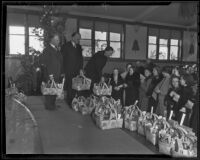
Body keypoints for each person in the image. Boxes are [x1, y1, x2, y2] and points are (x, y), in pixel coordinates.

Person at [39, 32, 63, 110]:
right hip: (50, 74)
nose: (59, 41)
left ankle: (52, 104)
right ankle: (49, 106)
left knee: (54, 89)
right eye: (57, 39)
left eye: (58, 40)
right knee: (49, 90)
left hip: (57, 73)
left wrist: (61, 72)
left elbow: (60, 61)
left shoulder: (57, 49)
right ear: (52, 40)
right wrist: (49, 74)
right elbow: (44, 63)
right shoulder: (47, 49)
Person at [61, 32, 83, 105]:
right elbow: (62, 59)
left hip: (77, 71)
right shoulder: (66, 46)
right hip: (68, 70)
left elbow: (81, 59)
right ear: (72, 37)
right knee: (69, 87)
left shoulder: (79, 47)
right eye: (77, 38)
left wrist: (81, 69)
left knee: (76, 87)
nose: (78, 39)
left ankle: (75, 101)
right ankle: (69, 102)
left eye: (79, 38)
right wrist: (63, 71)